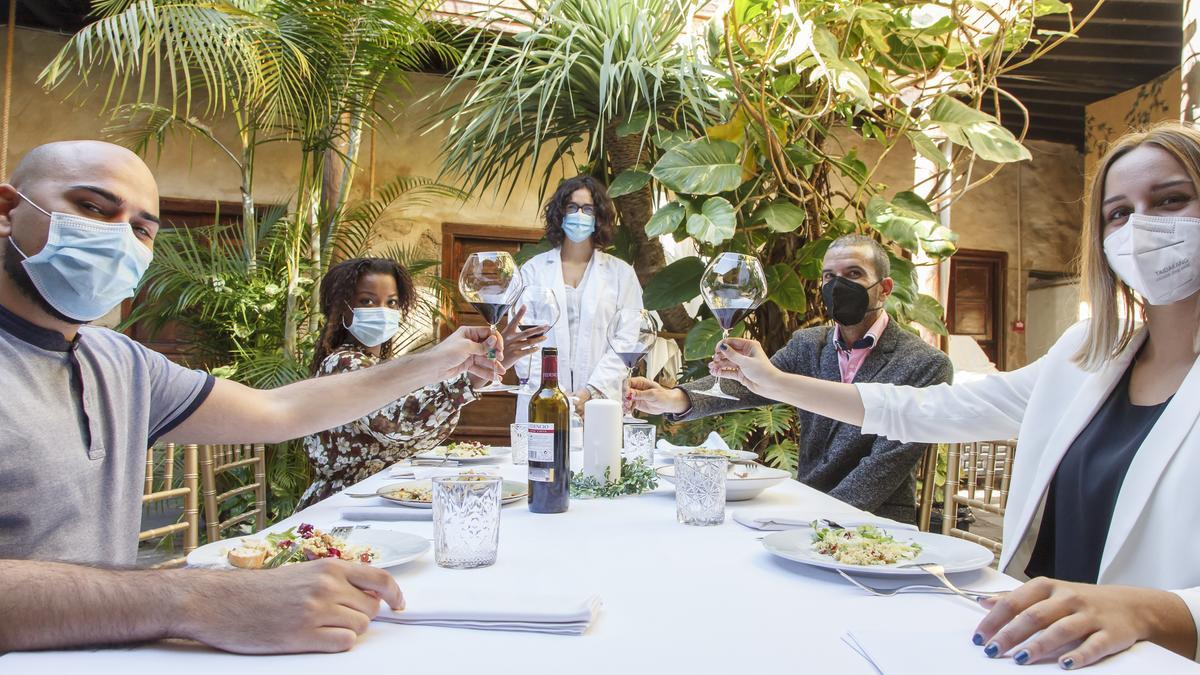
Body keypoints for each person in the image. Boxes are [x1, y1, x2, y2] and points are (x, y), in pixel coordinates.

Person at [709, 123, 1200, 669]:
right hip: (1034, 648)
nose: (1140, 229)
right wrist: (773, 382)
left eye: (1171, 200)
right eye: (1118, 213)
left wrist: (1152, 611)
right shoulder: (1086, 353)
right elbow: (927, 410)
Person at [0, 141, 504, 654]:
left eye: (141, 230)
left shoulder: (123, 364)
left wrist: (440, 359)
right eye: (91, 208)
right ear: (6, 211)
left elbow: (281, 411)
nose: (119, 240)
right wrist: (192, 598)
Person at [629, 234, 953, 523]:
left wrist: (814, 523)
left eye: (853, 274)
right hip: (804, 504)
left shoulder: (925, 364)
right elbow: (753, 386)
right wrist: (674, 398)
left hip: (872, 521)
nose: (838, 286)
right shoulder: (809, 344)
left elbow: (883, 468)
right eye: (829, 277)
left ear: (883, 290)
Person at [298, 257, 545, 508]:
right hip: (343, 506)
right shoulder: (344, 364)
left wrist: (479, 372)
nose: (382, 310)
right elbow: (397, 423)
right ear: (341, 307)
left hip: (376, 497)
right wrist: (468, 379)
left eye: (391, 302)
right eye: (367, 301)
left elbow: (417, 433)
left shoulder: (376, 364)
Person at [516, 175, 642, 419]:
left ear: (598, 218)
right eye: (572, 207)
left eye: (587, 209)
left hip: (600, 403)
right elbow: (522, 340)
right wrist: (555, 394)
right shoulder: (533, 271)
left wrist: (592, 391)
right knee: (542, 455)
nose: (579, 215)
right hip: (543, 399)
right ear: (560, 214)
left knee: (601, 456)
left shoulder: (621, 274)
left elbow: (627, 339)